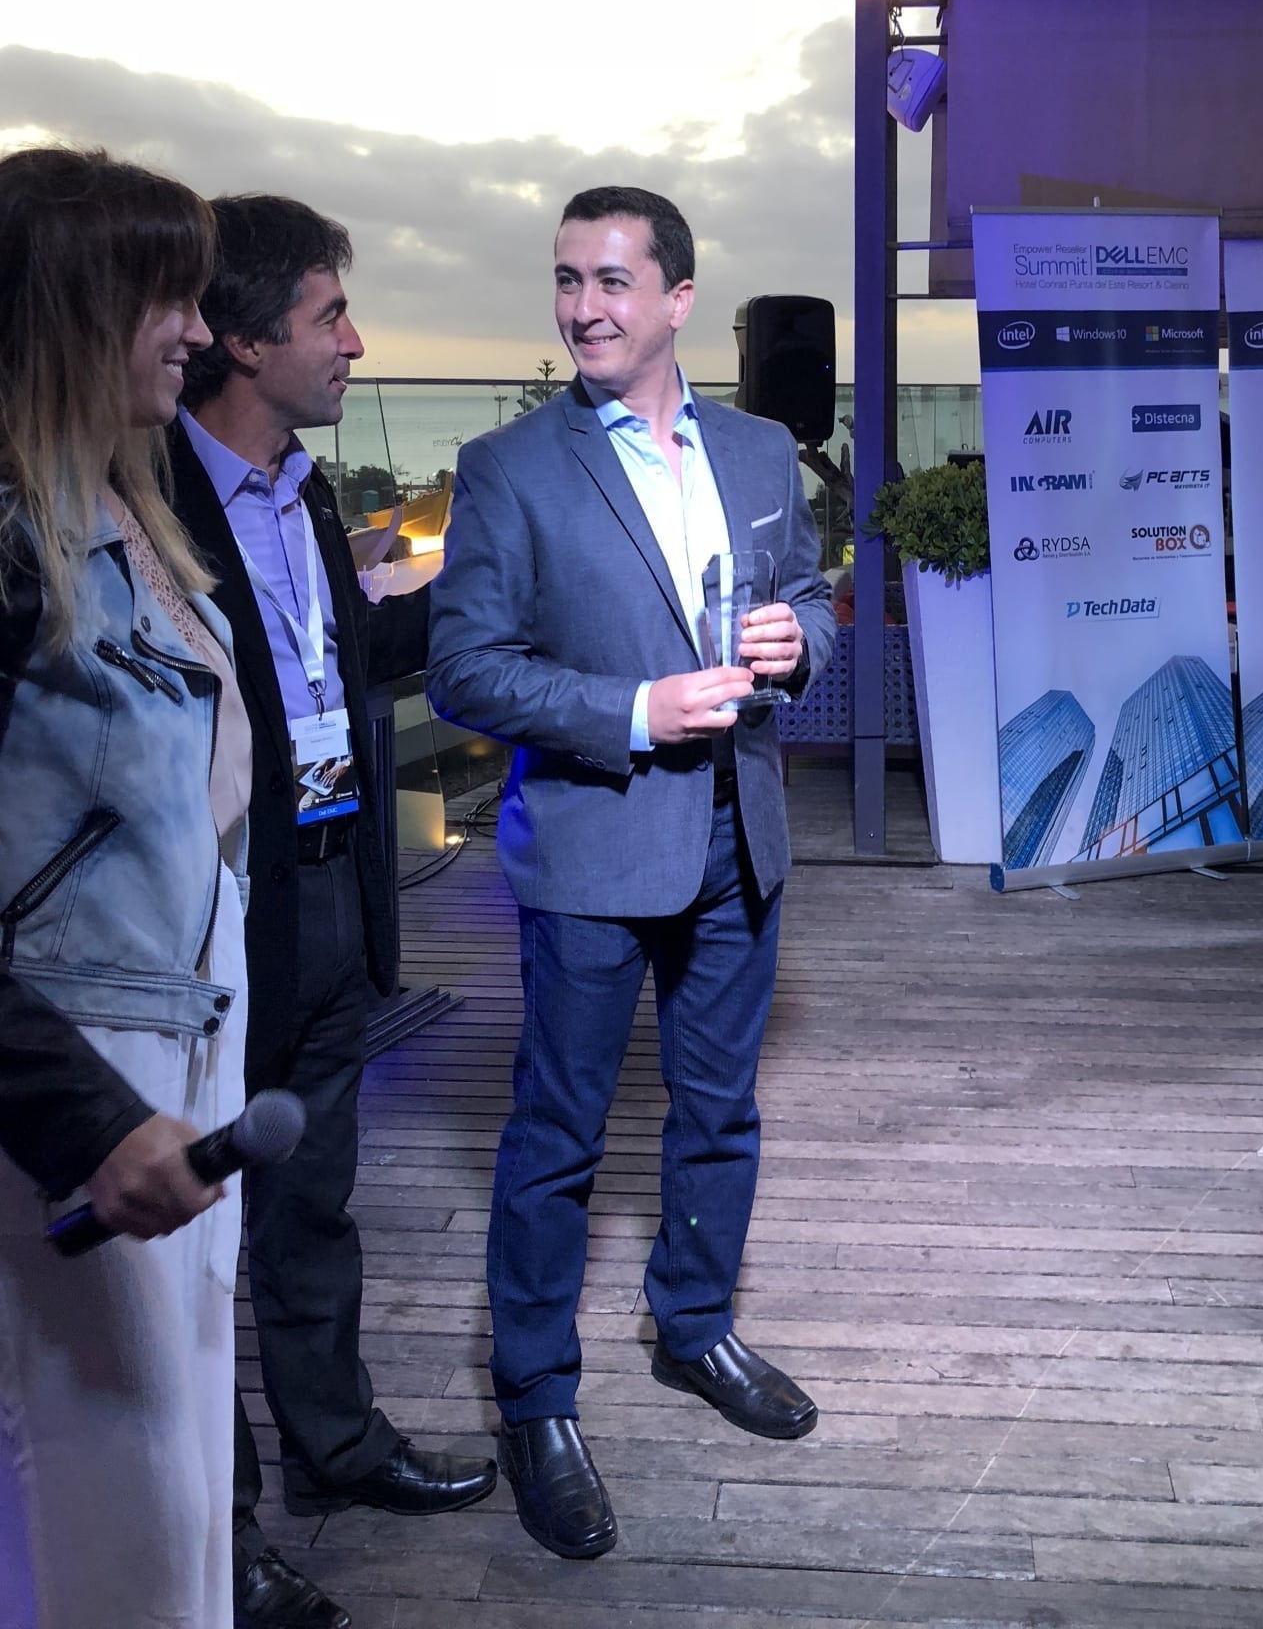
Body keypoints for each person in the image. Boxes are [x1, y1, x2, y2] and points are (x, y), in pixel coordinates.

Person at [427, 185, 836, 1560]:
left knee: (720, 1114)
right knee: (558, 1136)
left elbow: (813, 596)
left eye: (610, 281)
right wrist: (636, 711)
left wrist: (803, 640)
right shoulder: (509, 467)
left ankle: (696, 1328)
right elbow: (466, 668)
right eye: (566, 280)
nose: (582, 308)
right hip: (596, 842)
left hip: (740, 832)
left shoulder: (764, 449)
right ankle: (537, 1401)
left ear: (678, 299)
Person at [170, 194, 495, 1629]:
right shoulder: (146, 500)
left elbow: (345, 659)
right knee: (200, 1247)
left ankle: (339, 1446)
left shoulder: (301, 488)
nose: (356, 344)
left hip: (332, 892)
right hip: (215, 919)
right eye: (331, 316)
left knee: (313, 1211)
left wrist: (486, 578)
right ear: (243, 340)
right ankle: (220, 1533)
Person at [0, 145, 250, 1629]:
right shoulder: (13, 540)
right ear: (79, 308)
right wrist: (86, 1121)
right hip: (77, 1083)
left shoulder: (122, 513)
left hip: (180, 1062)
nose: (200, 333)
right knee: (112, 1522)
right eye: (171, 299)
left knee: (179, 1500)